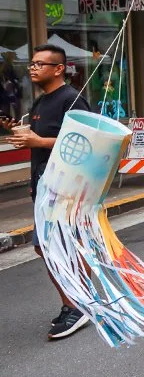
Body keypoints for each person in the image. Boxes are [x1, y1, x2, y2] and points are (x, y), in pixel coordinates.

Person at [0, 44, 91, 340]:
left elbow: (84, 142)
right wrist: (19, 132)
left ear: (59, 68)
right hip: (44, 184)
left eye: (40, 63)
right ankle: (78, 302)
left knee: (52, 247)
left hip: (66, 186)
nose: (33, 68)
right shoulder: (40, 103)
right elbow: (37, 141)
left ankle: (75, 307)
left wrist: (36, 142)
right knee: (55, 247)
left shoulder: (71, 99)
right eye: (32, 63)